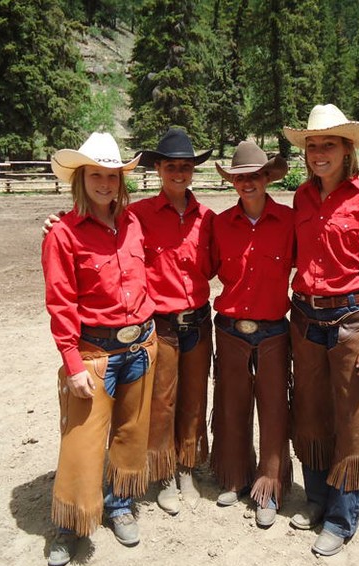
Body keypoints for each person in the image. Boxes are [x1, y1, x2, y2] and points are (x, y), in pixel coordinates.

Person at [282, 104, 359, 556]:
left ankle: (341, 517)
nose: (317, 153)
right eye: (312, 145)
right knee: (310, 411)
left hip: (351, 320)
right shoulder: (302, 199)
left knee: (354, 421)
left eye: (327, 144)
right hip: (306, 317)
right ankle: (316, 499)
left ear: (348, 149)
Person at [41, 132, 157, 566]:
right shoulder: (63, 234)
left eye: (112, 176)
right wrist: (72, 363)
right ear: (81, 178)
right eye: (97, 176)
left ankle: (120, 504)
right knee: (82, 442)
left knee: (130, 432)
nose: (105, 184)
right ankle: (70, 524)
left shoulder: (133, 224)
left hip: (141, 344)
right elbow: (60, 302)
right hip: (94, 352)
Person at [130, 128, 215, 515]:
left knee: (194, 397)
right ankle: (163, 472)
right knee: (162, 399)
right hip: (161, 322)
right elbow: (100, 226)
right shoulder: (139, 215)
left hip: (198, 319)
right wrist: (60, 221)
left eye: (185, 167)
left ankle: (187, 466)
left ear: (192, 171)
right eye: (171, 167)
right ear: (159, 170)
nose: (179, 173)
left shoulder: (207, 219)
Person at [209, 140, 293, 528]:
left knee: (275, 410)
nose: (248, 183)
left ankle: (269, 487)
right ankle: (234, 475)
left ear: (267, 178)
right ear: (233, 182)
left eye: (255, 176)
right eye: (240, 177)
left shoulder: (290, 221)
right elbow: (196, 265)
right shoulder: (220, 224)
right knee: (231, 406)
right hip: (229, 330)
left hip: (274, 330)